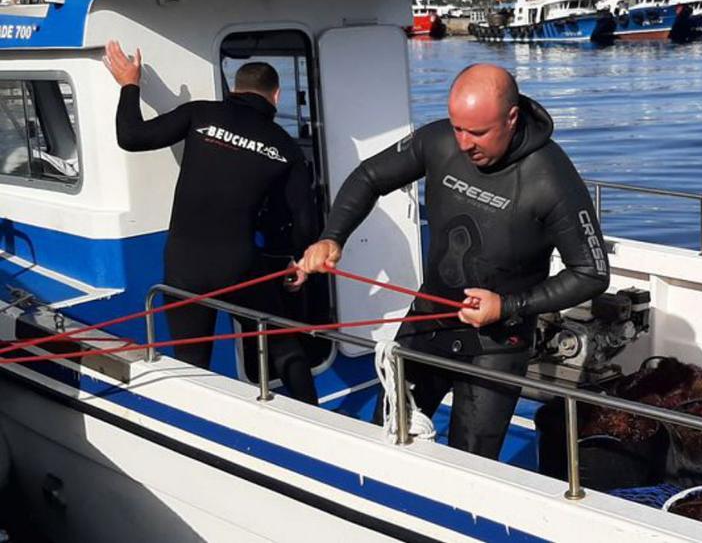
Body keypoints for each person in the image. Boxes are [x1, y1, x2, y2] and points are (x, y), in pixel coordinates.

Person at [298, 63, 609, 458]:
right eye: (458, 128)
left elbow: (592, 272)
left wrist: (508, 306)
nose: (463, 143)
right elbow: (369, 176)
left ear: (511, 118)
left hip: (496, 342)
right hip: (428, 320)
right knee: (388, 434)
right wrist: (332, 237)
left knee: (469, 463)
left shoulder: (551, 178)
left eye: (477, 132)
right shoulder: (440, 140)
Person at [104, 40, 318, 404]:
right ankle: (317, 419)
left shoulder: (200, 114)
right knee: (282, 345)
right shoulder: (285, 146)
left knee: (192, 363)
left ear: (234, 89)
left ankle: (200, 429)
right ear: (276, 96)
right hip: (239, 265)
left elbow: (131, 136)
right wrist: (299, 260)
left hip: (185, 262)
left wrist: (129, 84)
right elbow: (303, 219)